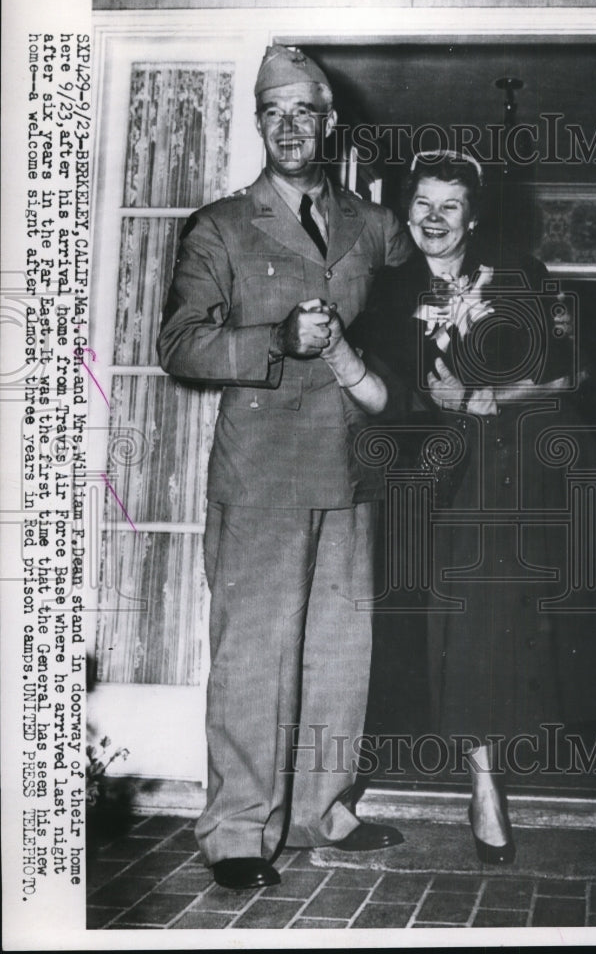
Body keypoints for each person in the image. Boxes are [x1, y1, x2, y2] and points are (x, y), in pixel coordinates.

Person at [157, 46, 411, 890]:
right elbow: (180, 345)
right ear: (258, 122)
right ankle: (237, 830)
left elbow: (417, 310)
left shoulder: (372, 226)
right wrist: (274, 342)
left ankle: (321, 810)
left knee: (342, 649)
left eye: (306, 110)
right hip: (261, 469)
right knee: (255, 652)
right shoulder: (222, 226)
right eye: (275, 112)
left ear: (329, 122)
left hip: (349, 464)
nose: (291, 126)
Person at [353, 151, 596, 864]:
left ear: (472, 216)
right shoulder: (388, 290)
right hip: (449, 475)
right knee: (471, 617)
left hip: (536, 453)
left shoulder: (516, 273)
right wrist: (441, 400)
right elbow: (383, 387)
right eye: (421, 203)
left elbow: (570, 369)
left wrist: (494, 396)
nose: (431, 218)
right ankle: (484, 786)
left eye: (448, 205)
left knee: (578, 596)